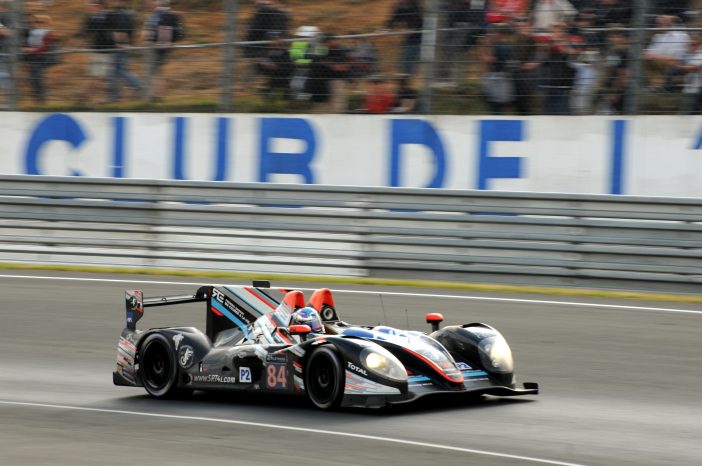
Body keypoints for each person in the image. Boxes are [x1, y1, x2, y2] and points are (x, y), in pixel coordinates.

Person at [143, 0, 183, 100]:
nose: (147, 4)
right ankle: (158, 95)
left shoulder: (159, 13)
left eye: (148, 2)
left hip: (157, 46)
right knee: (158, 72)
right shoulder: (166, 13)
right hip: (163, 46)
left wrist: (149, 36)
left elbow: (151, 31)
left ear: (155, 2)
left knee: (154, 72)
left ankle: (157, 95)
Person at [108, 0, 143, 101]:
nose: (114, 3)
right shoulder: (127, 13)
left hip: (121, 47)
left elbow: (123, 31)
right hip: (123, 46)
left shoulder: (123, 14)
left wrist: (120, 43)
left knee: (120, 71)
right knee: (115, 72)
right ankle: (115, 96)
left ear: (123, 2)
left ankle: (139, 87)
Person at [81, 0, 114, 103]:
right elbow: (87, 32)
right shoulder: (91, 18)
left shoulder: (108, 16)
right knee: (95, 76)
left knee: (101, 77)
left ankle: (94, 97)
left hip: (106, 51)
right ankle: (90, 97)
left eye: (92, 5)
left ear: (99, 6)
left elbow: (112, 32)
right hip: (96, 50)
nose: (90, 7)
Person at [645, 15, 689, 91]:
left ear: (670, 24)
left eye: (660, 23)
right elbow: (647, 54)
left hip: (676, 62)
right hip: (660, 61)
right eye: (658, 24)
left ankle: (659, 86)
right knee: (646, 60)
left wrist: (656, 56)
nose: (657, 26)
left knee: (655, 61)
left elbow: (676, 57)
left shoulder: (681, 36)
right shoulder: (657, 36)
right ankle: (657, 87)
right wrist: (658, 57)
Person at [22, 14, 55, 104]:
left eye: (39, 22)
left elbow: (46, 47)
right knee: (32, 79)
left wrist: (32, 50)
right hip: (34, 58)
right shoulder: (32, 32)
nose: (35, 24)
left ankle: (41, 100)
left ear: (46, 23)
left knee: (37, 78)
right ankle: (37, 99)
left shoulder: (48, 33)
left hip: (42, 58)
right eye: (33, 22)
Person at [386, 0, 424, 75]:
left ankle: (406, 75)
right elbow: (394, 18)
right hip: (412, 36)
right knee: (406, 55)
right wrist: (387, 28)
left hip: (420, 34)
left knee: (410, 54)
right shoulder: (401, 6)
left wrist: (411, 29)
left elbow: (420, 21)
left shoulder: (416, 6)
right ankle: (404, 75)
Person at [257, 31, 294, 99]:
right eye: (273, 39)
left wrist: (276, 68)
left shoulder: (285, 52)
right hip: (271, 81)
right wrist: (262, 64)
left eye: (278, 39)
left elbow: (290, 68)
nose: (276, 41)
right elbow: (260, 70)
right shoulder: (266, 52)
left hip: (283, 82)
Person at [678, 34, 702, 114]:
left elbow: (693, 68)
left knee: (687, 113)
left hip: (696, 89)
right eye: (690, 44)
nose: (691, 46)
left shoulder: (700, 55)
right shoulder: (689, 55)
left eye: (694, 44)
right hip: (690, 88)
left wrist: (679, 67)